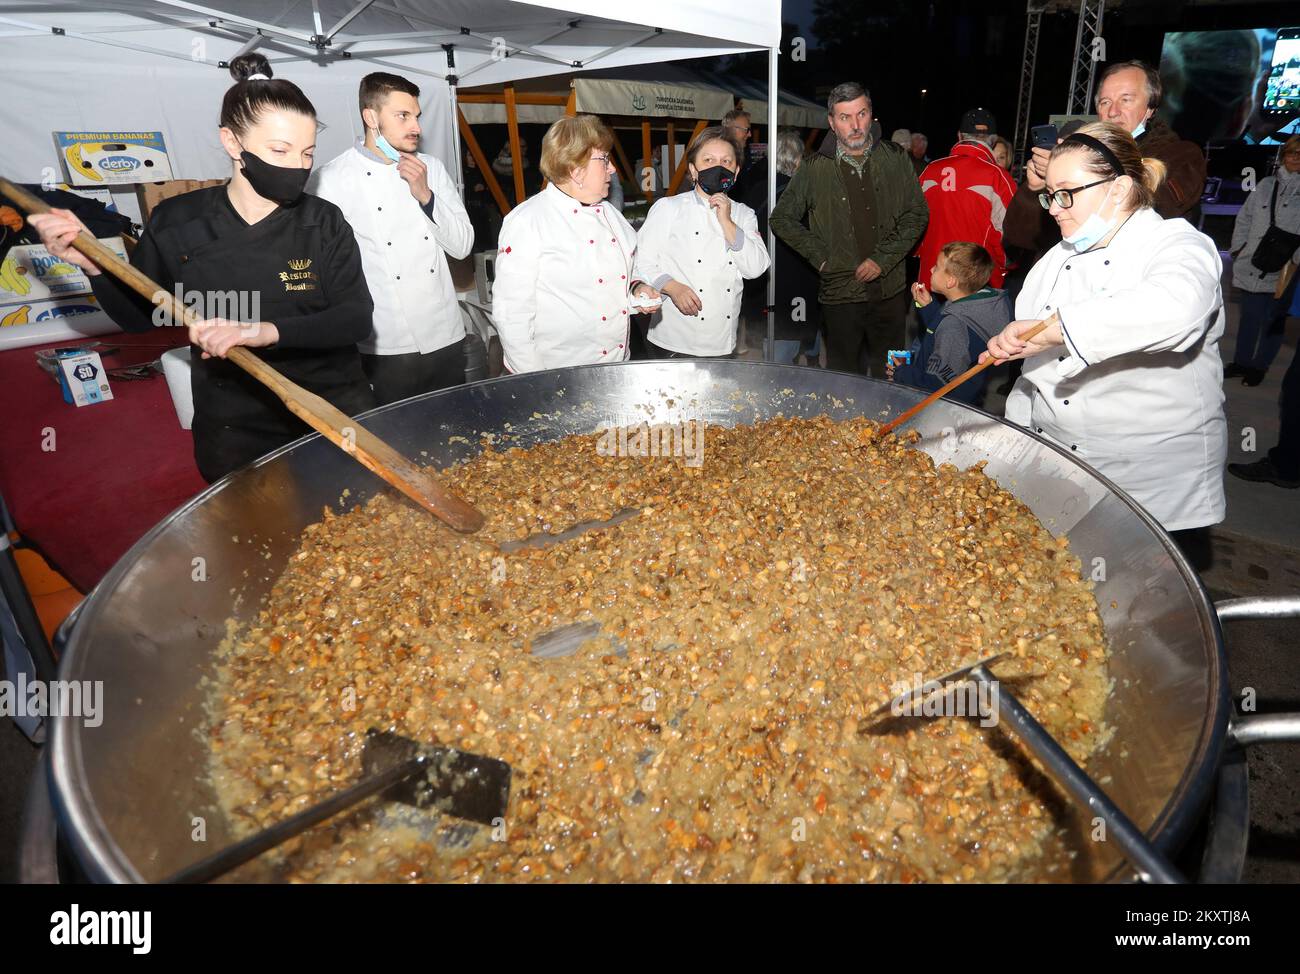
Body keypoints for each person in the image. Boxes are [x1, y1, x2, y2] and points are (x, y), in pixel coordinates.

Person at [28, 54, 374, 483]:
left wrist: (261, 332)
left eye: (307, 153)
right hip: (236, 425)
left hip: (330, 408)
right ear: (232, 143)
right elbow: (141, 317)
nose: (297, 166)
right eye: (279, 150)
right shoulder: (178, 221)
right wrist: (93, 264)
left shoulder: (324, 221)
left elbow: (355, 317)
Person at [982, 122, 1227, 569]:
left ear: (1118, 189)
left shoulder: (1176, 244)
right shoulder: (1054, 261)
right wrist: (1015, 448)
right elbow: (1032, 383)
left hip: (1147, 483)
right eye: (1050, 194)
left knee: (1146, 613)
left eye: (1067, 193)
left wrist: (1057, 328)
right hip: (1060, 470)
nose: (1055, 208)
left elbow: (1177, 308)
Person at [309, 72, 473, 406]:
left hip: (444, 330)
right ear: (371, 117)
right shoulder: (329, 180)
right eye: (403, 116)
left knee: (456, 431)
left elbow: (462, 246)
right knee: (398, 440)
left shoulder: (431, 168)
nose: (416, 127)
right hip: (385, 342)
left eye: (417, 116)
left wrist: (426, 197)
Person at [770, 82, 928, 377]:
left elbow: (917, 213)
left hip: (892, 294)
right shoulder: (815, 167)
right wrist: (822, 257)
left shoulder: (895, 157)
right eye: (845, 117)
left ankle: (893, 422)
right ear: (831, 122)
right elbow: (781, 218)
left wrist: (882, 259)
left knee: (896, 373)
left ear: (871, 115)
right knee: (844, 380)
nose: (855, 125)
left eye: (862, 114)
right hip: (840, 295)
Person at [492, 115, 658, 373]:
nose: (612, 168)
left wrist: (638, 288)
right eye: (604, 159)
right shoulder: (528, 221)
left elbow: (626, 274)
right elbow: (511, 315)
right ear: (576, 169)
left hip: (615, 365)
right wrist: (534, 381)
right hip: (556, 373)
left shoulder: (611, 214)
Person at [1005, 60, 1207, 252]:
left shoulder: (1180, 155)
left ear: (1150, 108)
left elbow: (1154, 212)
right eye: (1105, 102)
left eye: (1126, 100)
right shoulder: (1077, 155)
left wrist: (1083, 172)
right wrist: (1036, 187)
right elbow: (1021, 237)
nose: (1113, 111)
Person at [633, 127, 769, 359]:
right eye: (708, 160)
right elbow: (641, 261)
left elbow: (756, 269)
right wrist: (672, 287)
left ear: (735, 172)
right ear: (693, 170)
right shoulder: (669, 208)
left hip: (722, 340)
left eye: (726, 161)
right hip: (673, 337)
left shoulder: (743, 214)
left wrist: (727, 222)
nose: (718, 167)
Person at [892, 242, 1012, 405]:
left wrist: (901, 373)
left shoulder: (954, 326)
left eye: (937, 266)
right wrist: (928, 307)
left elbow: (936, 384)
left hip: (943, 405)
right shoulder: (975, 303)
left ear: (950, 282)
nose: (931, 269)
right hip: (970, 393)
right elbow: (945, 329)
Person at [916, 108, 1018, 298]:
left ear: (960, 135)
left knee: (932, 328)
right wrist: (1007, 268)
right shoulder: (998, 177)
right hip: (976, 286)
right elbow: (1010, 236)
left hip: (931, 282)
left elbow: (913, 226)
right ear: (994, 139)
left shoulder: (930, 170)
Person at [1224, 135, 1300, 386]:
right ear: (1284, 155)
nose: (1295, 158)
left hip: (1285, 267)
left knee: (1273, 320)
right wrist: (1238, 248)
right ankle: (1242, 362)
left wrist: (1296, 261)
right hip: (1252, 261)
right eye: (1291, 153)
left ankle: (1259, 366)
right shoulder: (1266, 184)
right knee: (1249, 317)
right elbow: (1245, 217)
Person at [754, 129, 822, 365]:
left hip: (764, 283)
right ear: (797, 159)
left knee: (773, 344)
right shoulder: (803, 193)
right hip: (796, 285)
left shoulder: (756, 190)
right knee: (786, 348)